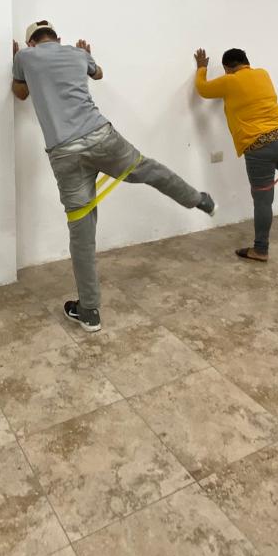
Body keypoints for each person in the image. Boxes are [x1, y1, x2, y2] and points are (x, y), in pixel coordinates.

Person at [13, 20, 214, 332]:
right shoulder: (77, 54)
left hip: (64, 154)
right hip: (101, 138)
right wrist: (86, 56)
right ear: (58, 38)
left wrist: (19, 62)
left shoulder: (24, 58)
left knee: (81, 231)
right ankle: (199, 200)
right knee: (149, 170)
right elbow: (99, 74)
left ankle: (89, 311)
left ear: (30, 43)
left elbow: (20, 93)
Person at [193, 47, 278, 262]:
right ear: (246, 62)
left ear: (227, 68)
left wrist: (201, 68)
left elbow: (203, 89)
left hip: (259, 145)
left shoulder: (229, 81)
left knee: (263, 200)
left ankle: (260, 249)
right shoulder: (262, 73)